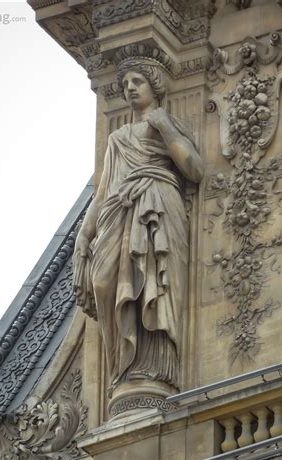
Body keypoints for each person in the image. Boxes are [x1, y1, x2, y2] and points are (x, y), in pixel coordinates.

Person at [73, 58, 203, 395]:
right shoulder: (117, 139)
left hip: (158, 207)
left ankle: (152, 372)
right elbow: (102, 194)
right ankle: (124, 365)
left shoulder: (167, 125)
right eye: (126, 83)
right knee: (103, 283)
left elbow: (194, 169)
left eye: (138, 81)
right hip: (120, 211)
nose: (130, 88)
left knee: (153, 288)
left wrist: (167, 128)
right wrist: (84, 236)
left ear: (155, 86)